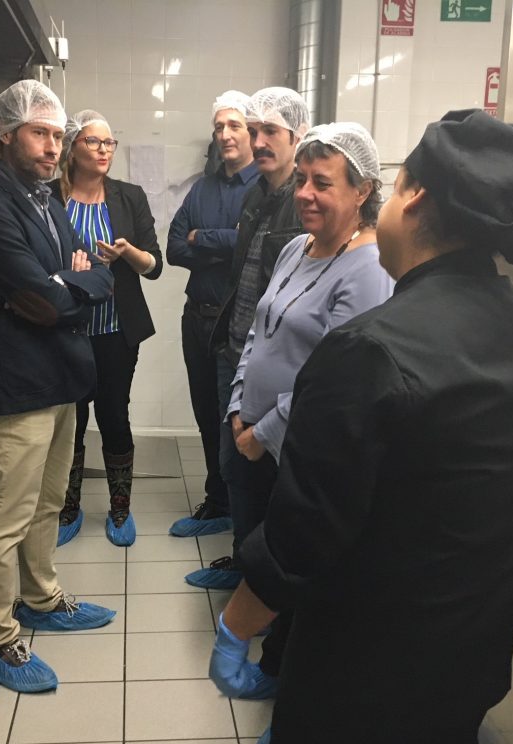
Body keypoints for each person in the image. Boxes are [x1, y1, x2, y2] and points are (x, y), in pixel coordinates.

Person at [209, 109, 513, 744]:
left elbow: (305, 528)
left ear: (415, 199)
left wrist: (237, 625)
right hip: (468, 650)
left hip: (368, 666)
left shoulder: (370, 351)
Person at [201, 122, 393, 712]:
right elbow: (258, 334)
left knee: (296, 572)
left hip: (300, 449)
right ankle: (271, 667)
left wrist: (264, 432)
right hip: (253, 433)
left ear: (362, 190)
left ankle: (291, 690)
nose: (305, 193)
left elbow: (333, 379)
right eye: (302, 179)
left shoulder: (369, 269)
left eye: (322, 183)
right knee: (260, 555)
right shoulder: (295, 248)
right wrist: (239, 405)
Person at [0, 80, 118, 694]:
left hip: (63, 379)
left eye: (58, 135)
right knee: (7, 517)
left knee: (49, 502)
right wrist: (61, 287)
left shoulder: (47, 201)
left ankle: (42, 597)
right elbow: (41, 300)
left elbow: (96, 275)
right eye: (40, 134)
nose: (54, 147)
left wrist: (66, 283)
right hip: (20, 384)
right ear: (6, 135)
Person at [183, 86, 311, 587]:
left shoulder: (301, 203)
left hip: (276, 363)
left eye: (268, 131)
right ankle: (244, 563)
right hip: (236, 351)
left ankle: (261, 579)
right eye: (253, 130)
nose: (258, 141)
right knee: (235, 465)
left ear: (297, 136)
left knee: (267, 474)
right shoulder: (257, 195)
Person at [50, 110, 163, 548]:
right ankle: (68, 507)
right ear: (72, 147)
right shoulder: (49, 197)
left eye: (109, 142)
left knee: (114, 416)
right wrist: (68, 271)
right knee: (71, 422)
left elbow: (154, 265)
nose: (104, 150)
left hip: (116, 331)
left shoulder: (129, 197)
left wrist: (127, 252)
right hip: (65, 332)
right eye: (94, 141)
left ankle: (120, 508)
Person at [166, 91, 259, 537]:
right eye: (219, 126)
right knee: (206, 413)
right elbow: (173, 247)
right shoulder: (202, 188)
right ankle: (217, 500)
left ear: (251, 132)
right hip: (196, 320)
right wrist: (224, 242)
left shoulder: (263, 189)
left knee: (234, 418)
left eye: (234, 125)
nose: (225, 134)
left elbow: (250, 246)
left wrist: (203, 238)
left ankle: (242, 513)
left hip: (238, 325)